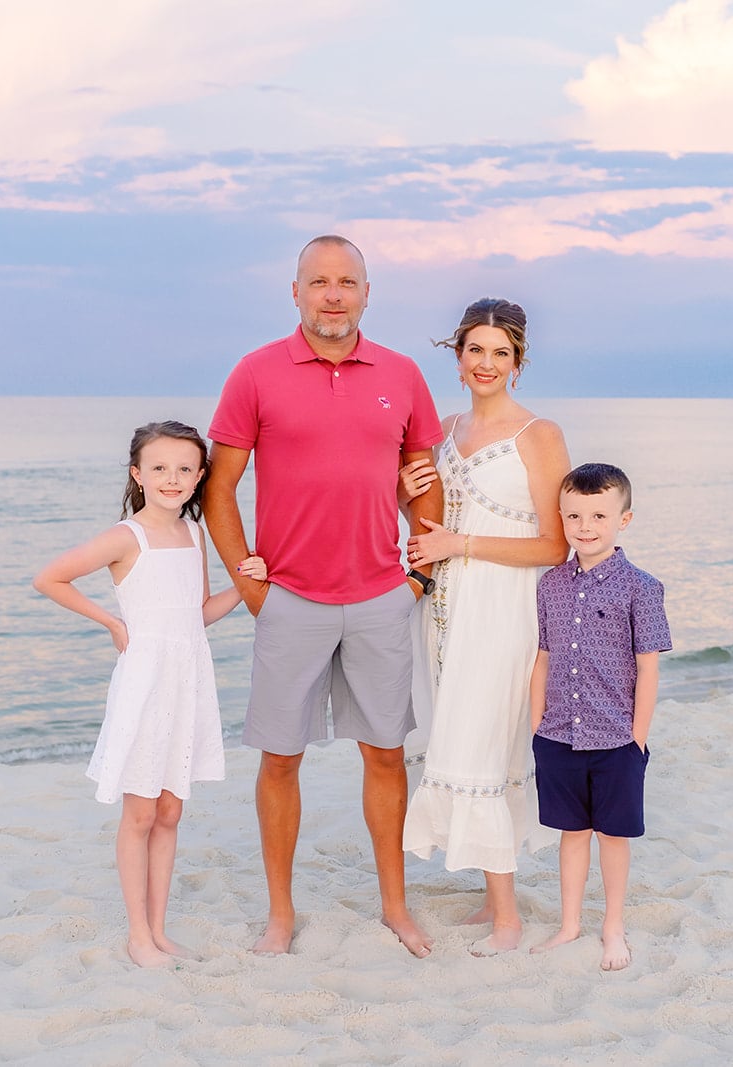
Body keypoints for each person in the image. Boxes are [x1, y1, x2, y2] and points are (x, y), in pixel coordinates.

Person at [203, 235, 445, 958]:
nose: (332, 294)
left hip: (380, 597)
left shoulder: (401, 374)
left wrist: (418, 577)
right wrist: (253, 588)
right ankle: (281, 915)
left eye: (347, 281)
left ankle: (395, 906)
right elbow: (220, 488)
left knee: (386, 754)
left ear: (367, 292)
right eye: (319, 282)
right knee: (280, 758)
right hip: (291, 601)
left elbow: (424, 479)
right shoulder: (255, 372)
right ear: (297, 291)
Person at [33, 420, 265, 969]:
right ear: (138, 474)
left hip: (187, 681)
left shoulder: (195, 534)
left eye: (186, 468)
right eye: (159, 467)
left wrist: (248, 582)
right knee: (139, 814)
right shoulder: (125, 536)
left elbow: (197, 614)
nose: (173, 478)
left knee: (169, 812)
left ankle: (160, 931)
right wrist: (112, 624)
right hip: (144, 682)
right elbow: (50, 578)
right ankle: (137, 934)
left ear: (201, 475)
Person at [396, 298, 570, 956]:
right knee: (458, 737)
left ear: (518, 364)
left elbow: (554, 544)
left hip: (502, 605)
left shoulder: (539, 434)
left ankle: (507, 920)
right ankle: (492, 897)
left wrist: (460, 545)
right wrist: (400, 487)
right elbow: (421, 520)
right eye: (476, 350)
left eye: (501, 353)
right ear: (458, 355)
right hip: (443, 607)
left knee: (479, 744)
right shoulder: (440, 429)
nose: (487, 363)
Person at [528, 462, 672, 971]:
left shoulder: (642, 587)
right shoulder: (549, 585)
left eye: (597, 515)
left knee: (613, 836)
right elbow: (542, 658)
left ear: (623, 520)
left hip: (616, 739)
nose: (584, 526)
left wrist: (637, 739)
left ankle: (613, 926)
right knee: (571, 834)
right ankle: (569, 925)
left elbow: (648, 668)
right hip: (558, 734)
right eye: (573, 516)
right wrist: (535, 729)